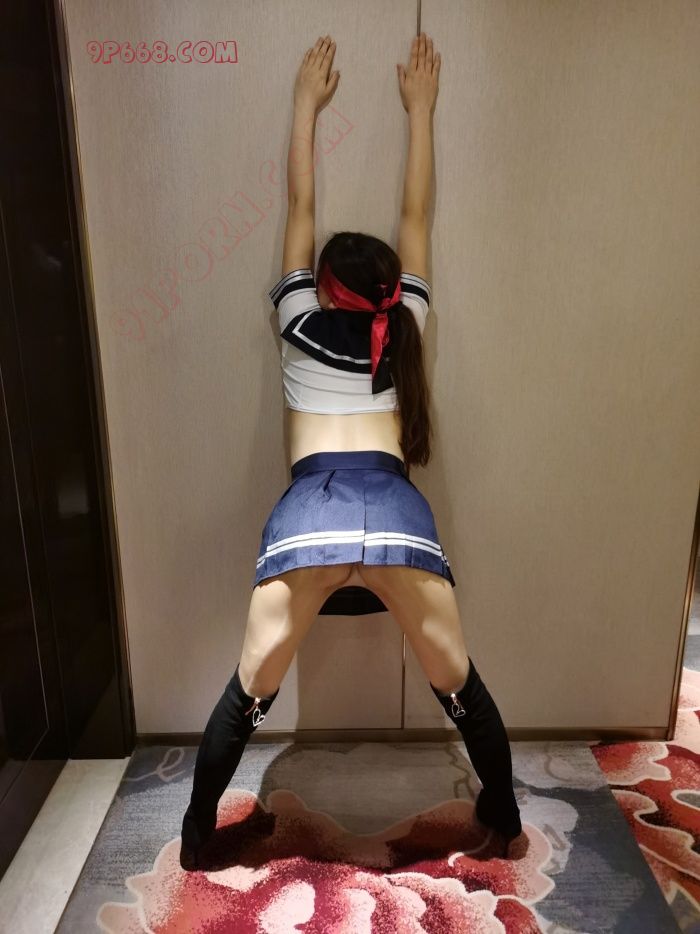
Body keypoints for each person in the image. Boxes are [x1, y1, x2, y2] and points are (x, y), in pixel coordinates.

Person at [180, 31, 522, 870]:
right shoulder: (406, 324)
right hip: (396, 512)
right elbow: (417, 217)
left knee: (248, 689)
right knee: (461, 685)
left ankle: (195, 839)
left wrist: (305, 104)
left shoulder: (295, 320)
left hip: (311, 515)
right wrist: (421, 110)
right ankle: (503, 817)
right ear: (388, 290)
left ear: (323, 287)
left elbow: (299, 206)